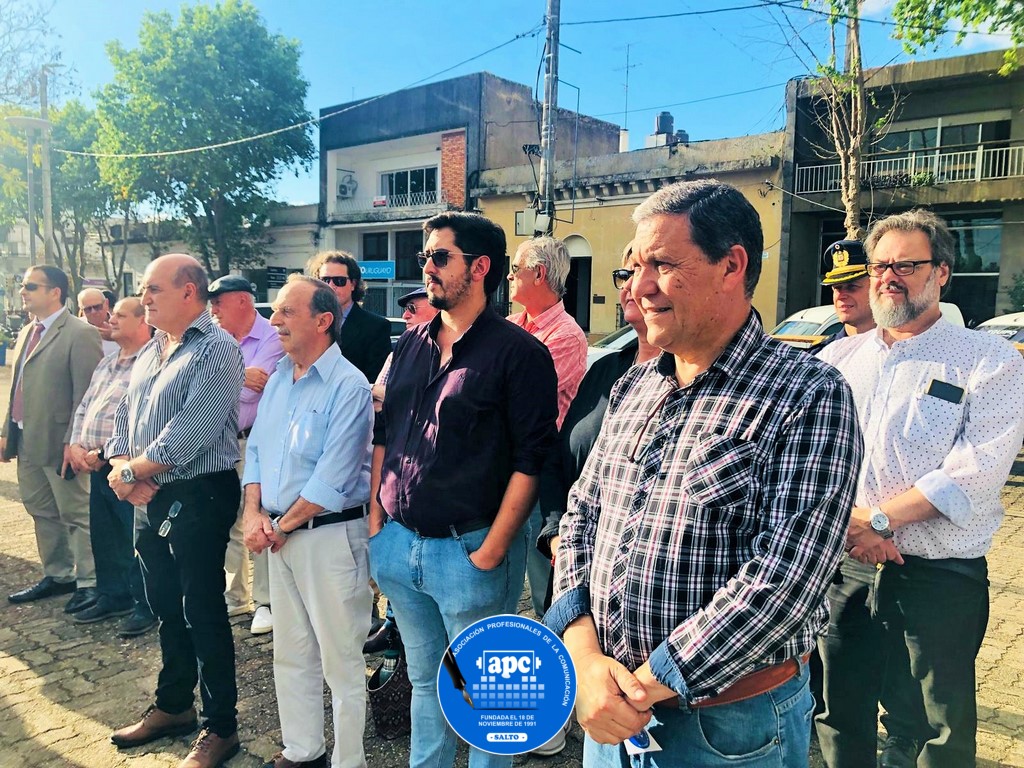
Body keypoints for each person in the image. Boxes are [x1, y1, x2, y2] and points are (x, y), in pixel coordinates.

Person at [544, 179, 864, 768]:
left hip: (726, 730)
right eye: (634, 268)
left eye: (663, 265)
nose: (638, 287)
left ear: (731, 266)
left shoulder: (807, 394)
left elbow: (785, 582)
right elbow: (582, 517)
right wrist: (583, 658)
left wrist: (646, 684)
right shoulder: (634, 385)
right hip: (608, 716)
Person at [815, 209, 1024, 768]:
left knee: (938, 728)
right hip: (847, 567)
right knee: (840, 710)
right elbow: (815, 460)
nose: (889, 277)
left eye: (906, 265)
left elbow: (974, 472)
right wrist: (853, 526)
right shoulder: (836, 361)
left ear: (942, 274)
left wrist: (878, 521)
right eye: (880, 265)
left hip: (939, 575)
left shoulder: (988, 361)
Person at [369, 211, 558, 768]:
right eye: (424, 256)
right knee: (426, 682)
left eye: (439, 256)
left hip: (469, 551)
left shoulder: (520, 354)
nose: (426, 267)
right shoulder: (411, 343)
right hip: (399, 544)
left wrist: (493, 550)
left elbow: (532, 460)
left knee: (485, 699)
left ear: (479, 268)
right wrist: (377, 523)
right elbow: (385, 432)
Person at [107, 254, 245, 768]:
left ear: (189, 291)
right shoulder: (151, 349)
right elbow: (123, 419)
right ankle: (174, 706)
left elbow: (191, 433)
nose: (143, 297)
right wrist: (123, 469)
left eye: (153, 289)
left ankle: (221, 727)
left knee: (200, 610)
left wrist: (129, 474)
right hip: (148, 493)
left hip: (199, 493)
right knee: (164, 604)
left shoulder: (217, 348)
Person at [531, 243, 659, 758]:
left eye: (649, 268)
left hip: (650, 638)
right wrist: (557, 533)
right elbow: (561, 459)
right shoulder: (608, 371)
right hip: (574, 561)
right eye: (624, 272)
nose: (631, 285)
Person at [242, 275, 373, 768]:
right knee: (292, 651)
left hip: (328, 537)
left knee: (341, 660)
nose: (273, 320)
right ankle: (303, 751)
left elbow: (333, 478)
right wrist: (254, 513)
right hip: (280, 535)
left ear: (323, 321)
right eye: (275, 311)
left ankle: (349, 761)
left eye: (286, 312)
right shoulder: (279, 377)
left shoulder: (349, 385)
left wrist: (279, 527)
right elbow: (256, 451)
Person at [3, 266, 104, 613]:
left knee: (76, 513)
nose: (23, 291)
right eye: (23, 285)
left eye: (30, 286)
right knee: (41, 511)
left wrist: (74, 441)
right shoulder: (27, 331)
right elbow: (17, 387)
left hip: (61, 442)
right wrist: (6, 432)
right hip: (26, 439)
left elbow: (86, 395)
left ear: (55, 292)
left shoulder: (80, 333)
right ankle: (59, 575)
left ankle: (90, 582)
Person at [506, 236, 588, 620]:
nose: (509, 277)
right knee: (505, 570)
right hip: (505, 467)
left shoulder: (566, 335)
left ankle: (552, 640)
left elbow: (518, 398)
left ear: (538, 274)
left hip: (539, 471)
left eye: (515, 269)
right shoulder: (511, 325)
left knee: (543, 579)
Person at [67, 297, 157, 636]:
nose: (110, 320)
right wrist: (76, 444)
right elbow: (85, 406)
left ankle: (146, 604)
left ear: (142, 321)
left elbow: (142, 419)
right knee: (105, 536)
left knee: (137, 539)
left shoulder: (151, 362)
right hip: (97, 467)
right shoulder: (107, 362)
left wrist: (105, 452)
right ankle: (113, 595)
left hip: (128, 466)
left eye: (120, 315)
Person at [364, 285, 439, 656]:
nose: (405, 315)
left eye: (413, 307)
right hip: (397, 478)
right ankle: (394, 627)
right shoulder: (402, 351)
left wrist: (386, 397)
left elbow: (384, 396)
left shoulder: (453, 352)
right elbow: (377, 397)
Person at [209, 274, 285, 636]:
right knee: (227, 520)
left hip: (256, 441)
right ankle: (234, 596)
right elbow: (202, 383)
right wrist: (239, 376)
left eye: (218, 303)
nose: (212, 310)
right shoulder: (214, 335)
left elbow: (256, 389)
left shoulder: (272, 336)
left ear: (242, 300)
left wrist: (223, 378)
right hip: (217, 442)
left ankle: (265, 601)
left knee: (258, 518)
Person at [309, 251, 391, 383]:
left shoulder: (376, 327)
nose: (330, 286)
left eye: (339, 281)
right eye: (324, 280)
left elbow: (375, 381)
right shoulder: (307, 322)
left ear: (353, 284)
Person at [808, 240, 875, 355]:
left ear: (876, 288)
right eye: (837, 288)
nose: (841, 296)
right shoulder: (821, 354)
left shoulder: (898, 349)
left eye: (852, 287)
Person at [78, 287, 119, 356]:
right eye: (88, 309)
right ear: (82, 310)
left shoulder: (121, 325)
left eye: (97, 307)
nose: (93, 312)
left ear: (106, 303)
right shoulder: (76, 328)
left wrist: (116, 337)